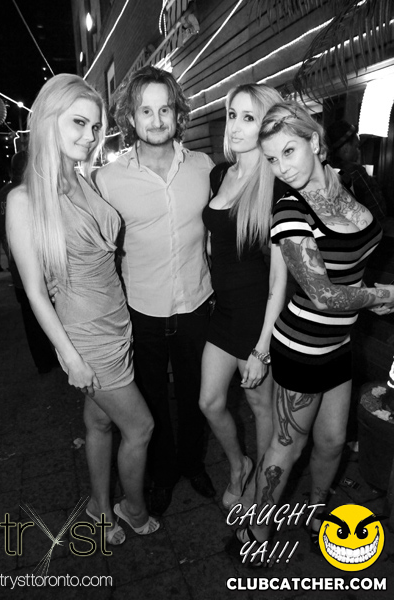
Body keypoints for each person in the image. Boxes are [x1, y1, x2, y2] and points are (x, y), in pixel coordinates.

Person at [227, 99, 393, 565]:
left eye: (288, 152)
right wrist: (381, 296)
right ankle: (256, 526)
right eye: (272, 159)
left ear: (315, 143)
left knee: (333, 441)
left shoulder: (349, 187)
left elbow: (359, 252)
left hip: (340, 343)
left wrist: (368, 292)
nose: (282, 168)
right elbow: (320, 294)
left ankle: (317, 510)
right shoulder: (289, 210)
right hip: (303, 347)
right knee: (288, 444)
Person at [6, 74, 159, 545]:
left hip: (116, 322)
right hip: (87, 338)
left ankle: (98, 506)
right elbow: (35, 292)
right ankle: (134, 510)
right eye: (78, 122)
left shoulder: (84, 178)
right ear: (48, 119)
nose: (89, 136)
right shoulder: (24, 200)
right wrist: (70, 357)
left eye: (95, 127)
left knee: (99, 421)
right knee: (141, 427)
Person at [92, 66, 216, 516]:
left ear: (177, 114)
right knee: (151, 400)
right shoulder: (108, 180)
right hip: (140, 309)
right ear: (131, 117)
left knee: (196, 395)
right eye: (146, 111)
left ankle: (193, 463)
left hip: (196, 303)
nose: (157, 119)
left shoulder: (203, 168)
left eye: (165, 109)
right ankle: (162, 473)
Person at [199, 84, 287, 512]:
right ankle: (240, 465)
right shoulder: (220, 174)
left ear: (266, 125)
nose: (234, 126)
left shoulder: (277, 187)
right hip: (223, 309)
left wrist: (262, 347)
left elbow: (279, 276)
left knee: (260, 405)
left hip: (257, 314)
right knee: (209, 402)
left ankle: (262, 494)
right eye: (232, 114)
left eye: (248, 118)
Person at [0, 151, 59, 373]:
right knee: (52, 311)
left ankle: (43, 361)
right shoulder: (28, 194)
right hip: (42, 268)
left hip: (17, 271)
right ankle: (61, 355)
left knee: (30, 319)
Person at [326, 120, 386, 226]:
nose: (358, 151)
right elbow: (379, 212)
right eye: (356, 146)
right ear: (345, 149)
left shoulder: (326, 170)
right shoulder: (354, 171)